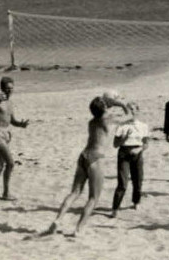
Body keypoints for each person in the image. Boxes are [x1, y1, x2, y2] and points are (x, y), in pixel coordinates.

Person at [44, 94, 132, 237]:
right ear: (104, 108)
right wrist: (119, 103)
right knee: (93, 198)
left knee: (74, 193)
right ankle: (78, 229)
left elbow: (103, 113)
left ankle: (58, 220)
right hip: (96, 158)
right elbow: (129, 116)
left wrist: (107, 105)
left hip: (83, 155)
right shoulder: (107, 120)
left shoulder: (92, 122)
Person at [111, 102, 149, 218]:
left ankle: (136, 202)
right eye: (128, 110)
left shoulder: (143, 126)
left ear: (137, 111)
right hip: (124, 154)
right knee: (122, 183)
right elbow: (115, 144)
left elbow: (146, 143)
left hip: (137, 154)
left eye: (133, 109)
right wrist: (124, 138)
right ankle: (115, 208)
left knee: (138, 181)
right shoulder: (122, 126)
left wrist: (139, 150)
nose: (131, 112)